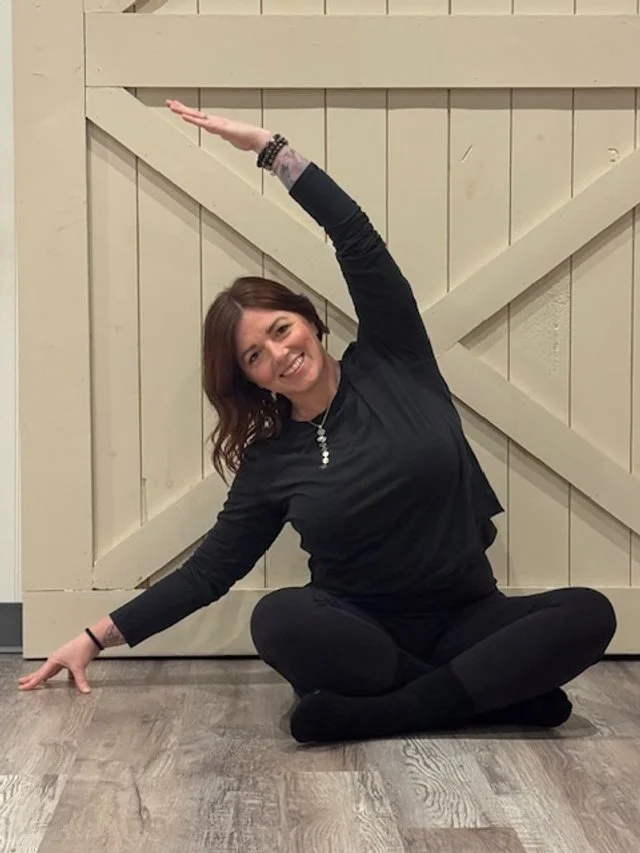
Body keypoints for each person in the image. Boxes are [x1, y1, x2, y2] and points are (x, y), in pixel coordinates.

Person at [18, 101, 617, 744]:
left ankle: (393, 712)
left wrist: (272, 151)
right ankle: (490, 692)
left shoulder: (395, 358)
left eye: (281, 330)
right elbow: (208, 573)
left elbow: (357, 239)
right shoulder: (272, 460)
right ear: (248, 378)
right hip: (357, 630)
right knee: (279, 618)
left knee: (588, 613)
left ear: (309, 320)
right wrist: (93, 638)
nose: (278, 354)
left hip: (468, 617)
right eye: (255, 355)